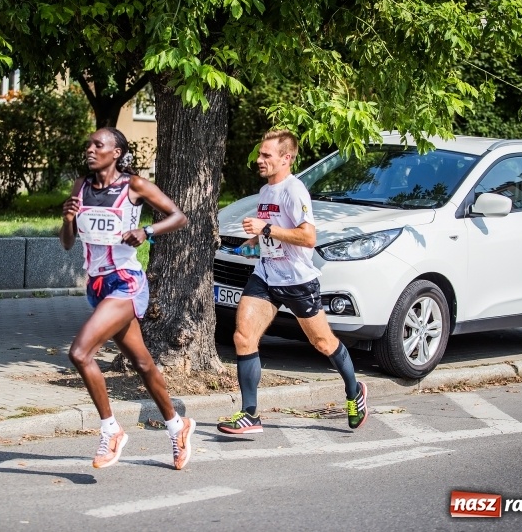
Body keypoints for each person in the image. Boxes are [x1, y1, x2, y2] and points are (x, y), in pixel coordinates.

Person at [216, 130, 368, 435]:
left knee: (322, 342)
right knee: (243, 337)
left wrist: (266, 229)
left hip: (298, 281)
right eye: (260, 154)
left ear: (286, 158)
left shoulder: (294, 190)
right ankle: (250, 414)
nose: (259, 160)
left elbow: (308, 237)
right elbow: (267, 234)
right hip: (266, 275)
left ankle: (355, 392)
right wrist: (247, 243)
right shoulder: (265, 192)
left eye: (266, 155)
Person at [60, 127, 195, 469]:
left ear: (116, 153)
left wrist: (146, 231)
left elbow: (180, 216)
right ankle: (177, 426)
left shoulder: (133, 186)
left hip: (126, 283)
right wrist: (68, 219)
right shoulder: (81, 187)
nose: (90, 149)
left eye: (98, 145)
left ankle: (111, 430)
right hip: (97, 286)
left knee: (80, 353)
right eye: (88, 143)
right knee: (142, 363)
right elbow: (66, 242)